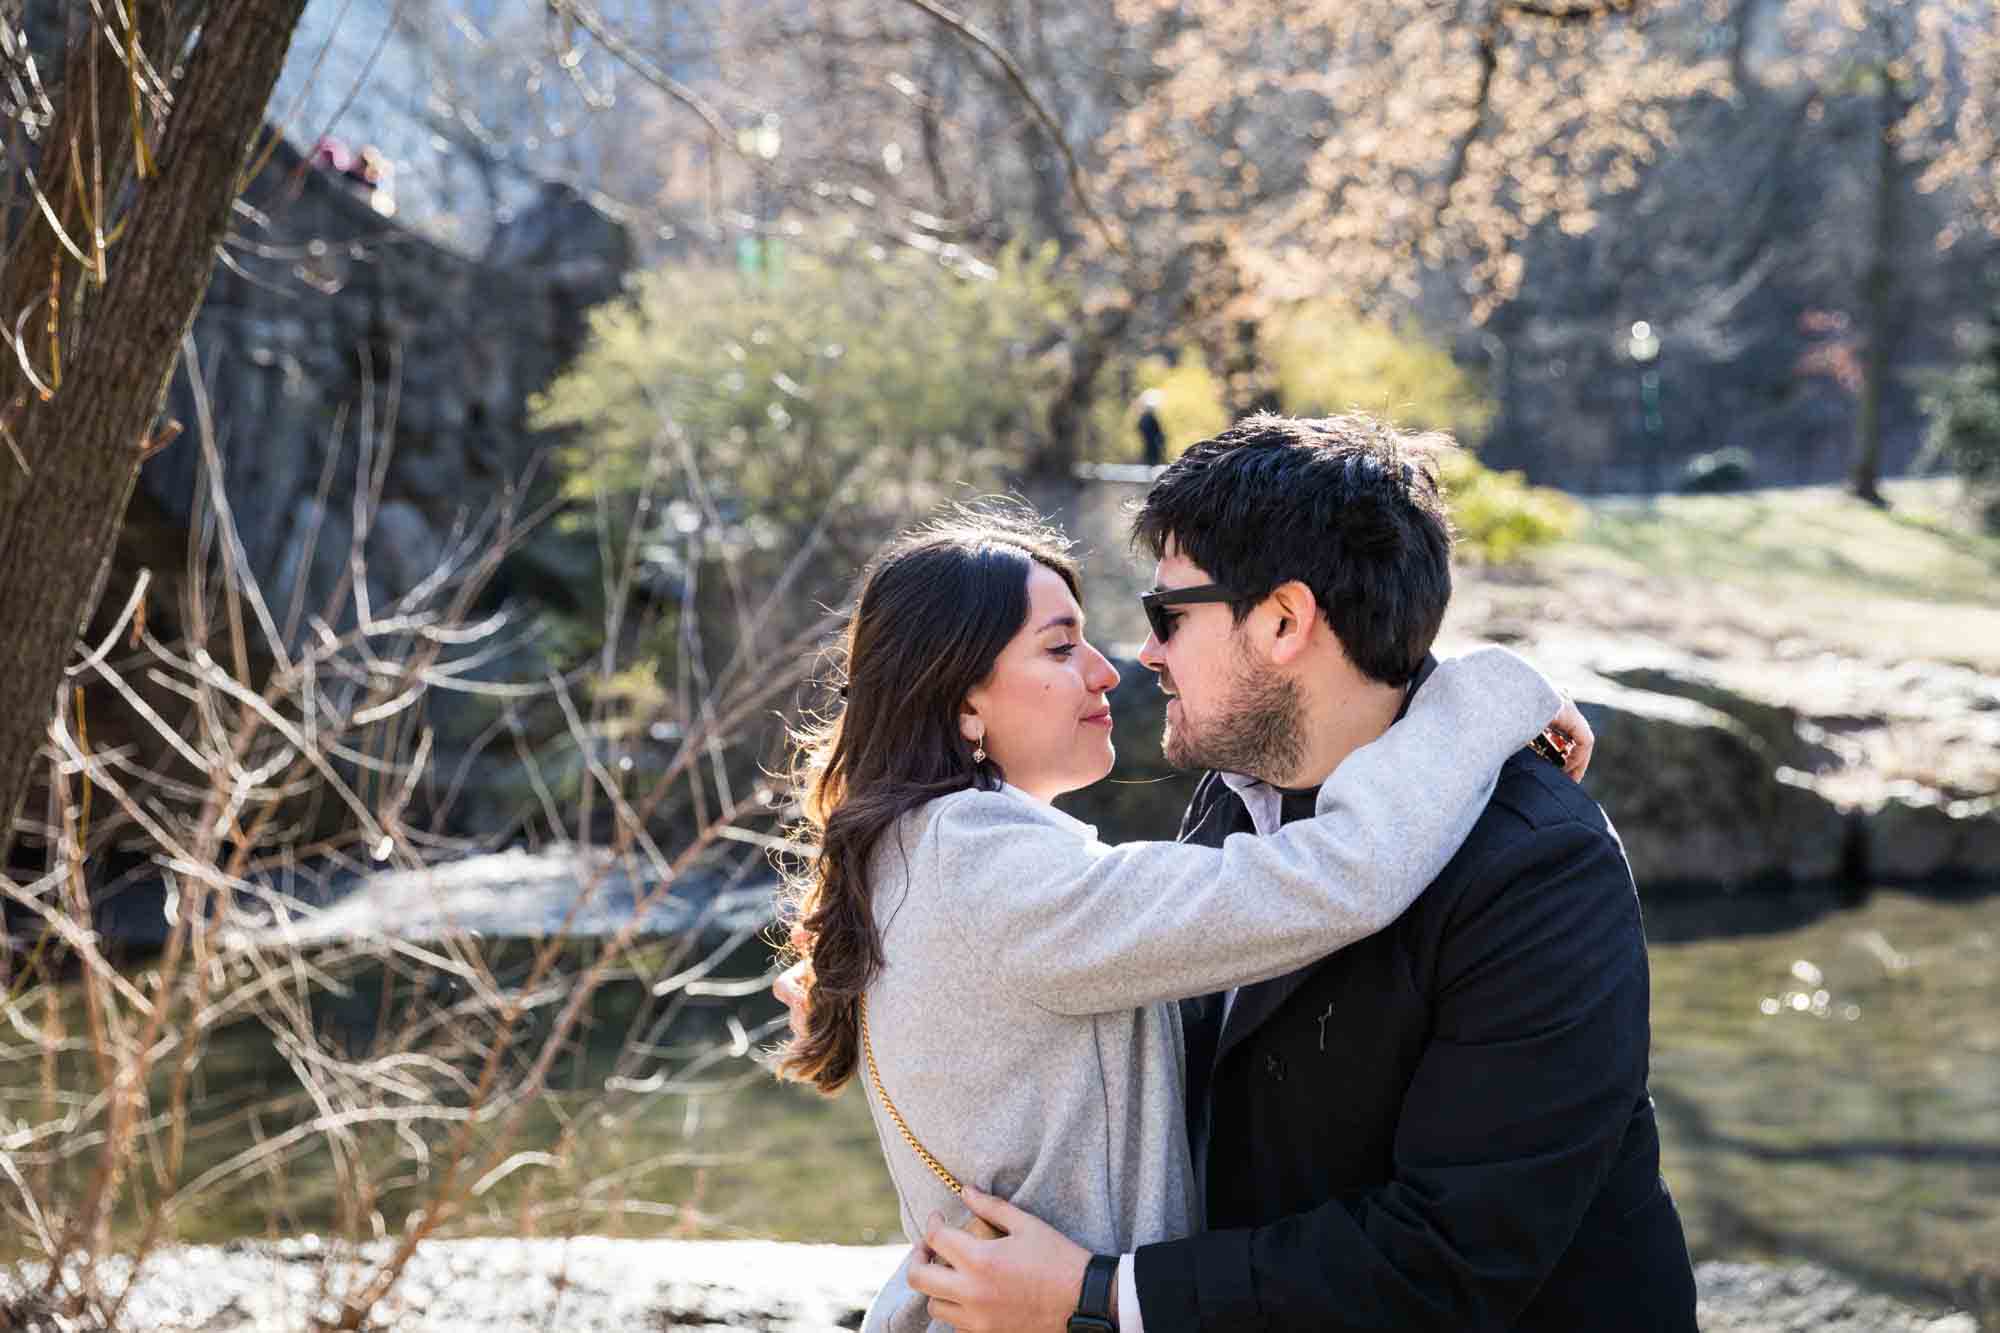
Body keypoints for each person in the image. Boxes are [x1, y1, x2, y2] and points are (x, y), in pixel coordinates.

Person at [902, 415, 1698, 1332]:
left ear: (1284, 621)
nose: (1146, 654)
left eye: (1169, 615)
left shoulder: (1538, 863)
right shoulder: (1236, 791)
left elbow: (1450, 1257)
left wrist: (1101, 1294)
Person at [772, 500, 1587, 1333]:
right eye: (1059, 647)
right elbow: (1342, 877)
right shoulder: (985, 869)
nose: (1108, 669)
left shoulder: (921, 858)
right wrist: (1485, 694)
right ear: (959, 701)